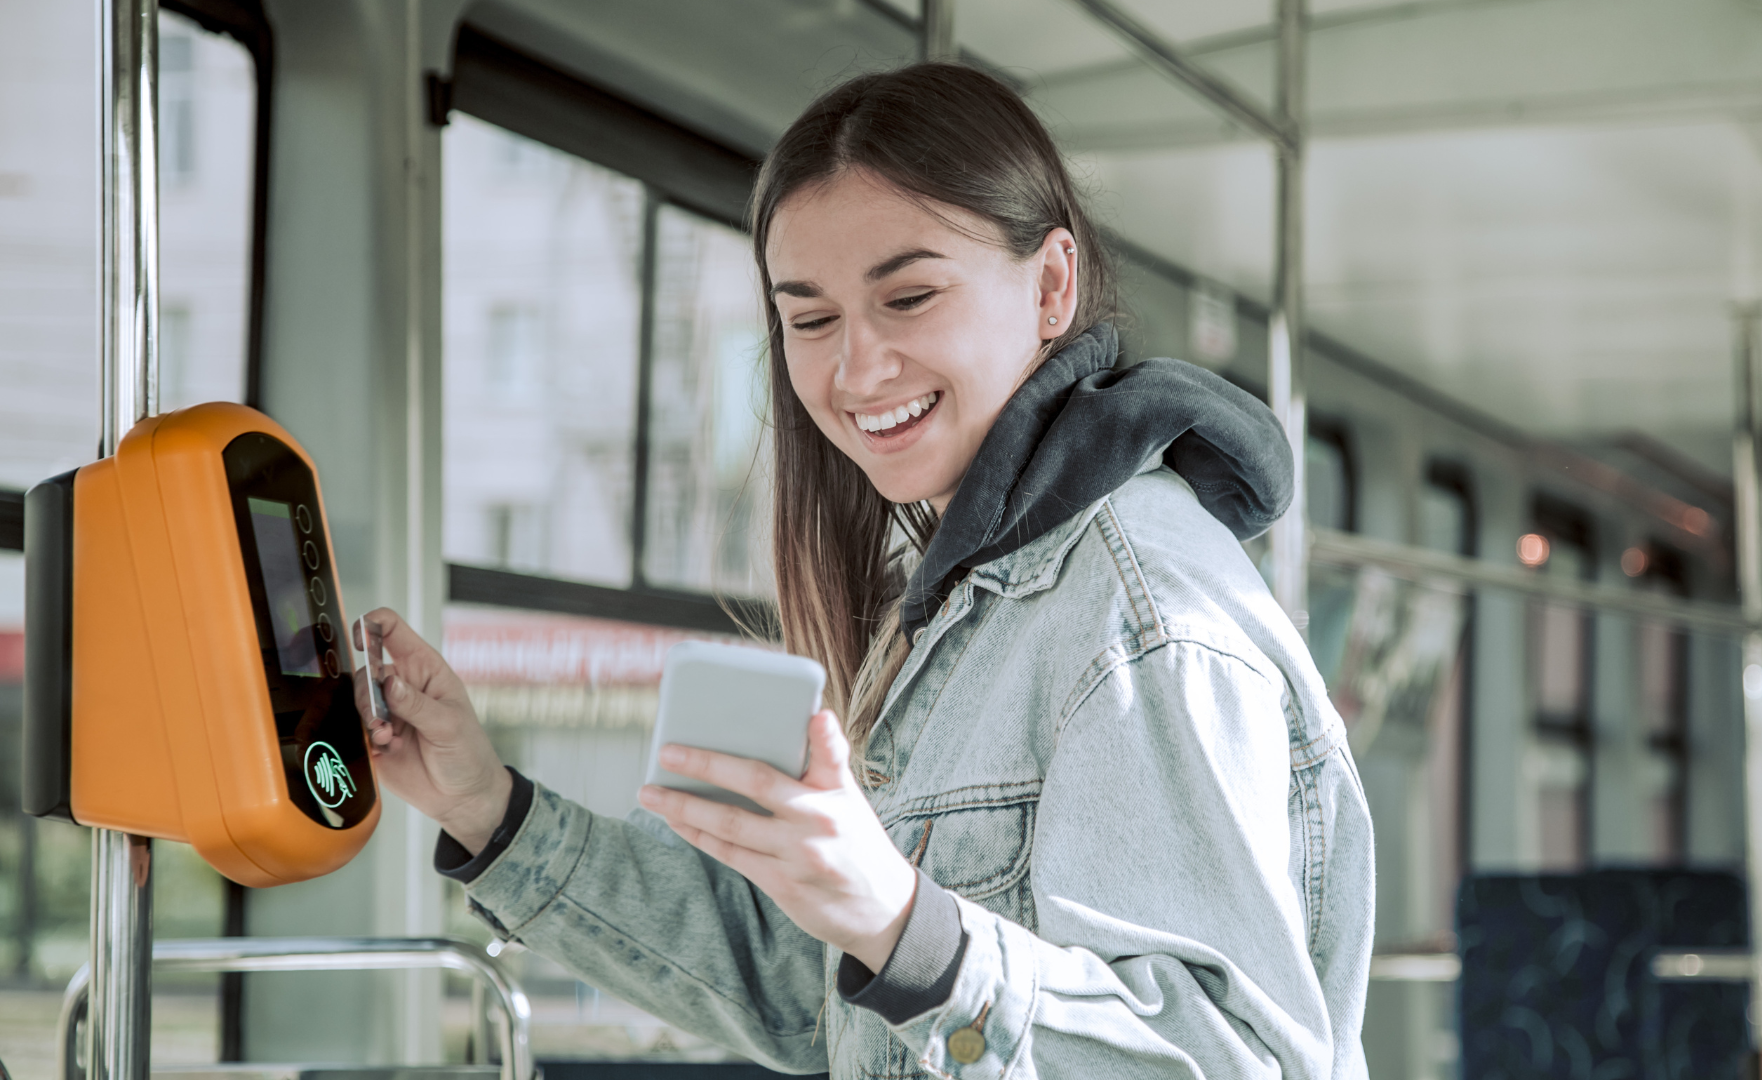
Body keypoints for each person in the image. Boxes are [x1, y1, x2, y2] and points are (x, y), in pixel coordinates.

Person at [360, 62, 1374, 1079]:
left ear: (1050, 287)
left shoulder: (1139, 617)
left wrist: (904, 928)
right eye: (810, 320)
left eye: (910, 297)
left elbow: (1233, 1059)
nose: (855, 370)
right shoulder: (966, 597)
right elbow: (810, 990)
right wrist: (485, 806)